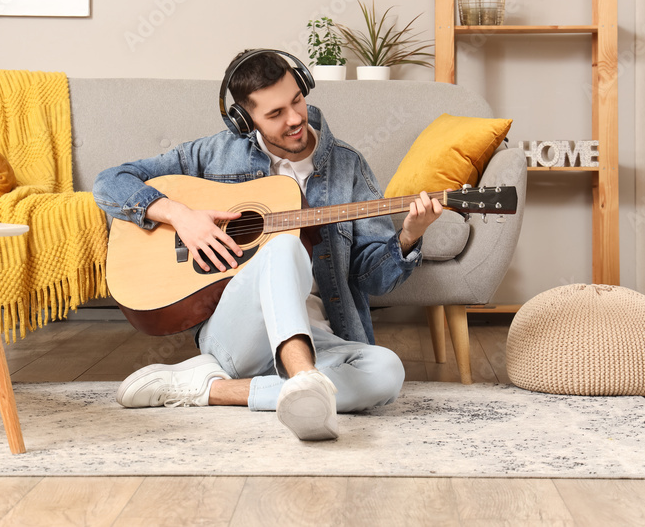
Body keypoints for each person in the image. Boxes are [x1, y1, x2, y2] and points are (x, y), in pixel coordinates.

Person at [92, 49, 442, 441]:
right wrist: (179, 215)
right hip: (239, 337)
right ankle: (306, 379)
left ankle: (212, 389)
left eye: (297, 101)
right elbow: (110, 182)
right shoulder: (213, 154)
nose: (294, 119)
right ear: (245, 120)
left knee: (387, 373)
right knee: (284, 247)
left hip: (322, 334)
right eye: (275, 114)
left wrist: (409, 236)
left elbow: (372, 278)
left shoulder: (348, 166)